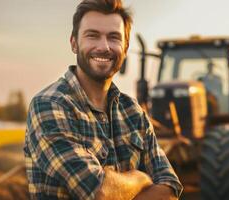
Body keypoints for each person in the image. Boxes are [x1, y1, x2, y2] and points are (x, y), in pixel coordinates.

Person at [23, 0, 183, 199]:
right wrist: (141, 179)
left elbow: (169, 188)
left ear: (125, 48)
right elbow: (101, 192)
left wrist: (118, 186)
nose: (104, 46)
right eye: (92, 35)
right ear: (74, 43)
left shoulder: (133, 112)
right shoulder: (50, 105)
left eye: (114, 37)